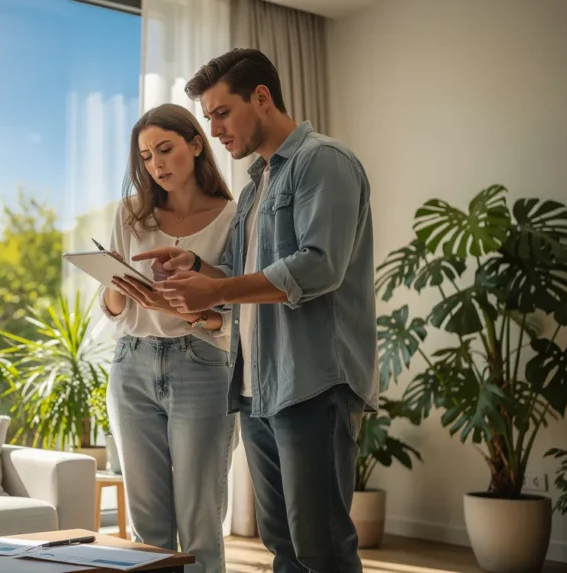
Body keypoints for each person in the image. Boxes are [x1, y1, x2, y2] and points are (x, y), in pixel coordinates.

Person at [133, 48, 378, 573]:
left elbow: (318, 267)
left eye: (222, 113)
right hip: (259, 387)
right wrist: (197, 266)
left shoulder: (322, 161)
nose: (216, 131)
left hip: (313, 382)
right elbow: (242, 281)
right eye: (209, 118)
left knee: (322, 547)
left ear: (261, 98)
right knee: (283, 545)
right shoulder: (253, 187)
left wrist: (209, 292)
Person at [97, 103, 237, 573]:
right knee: (147, 527)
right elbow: (113, 310)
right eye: (146, 155)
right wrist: (117, 287)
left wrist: (187, 310)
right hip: (130, 365)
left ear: (196, 145)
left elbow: (234, 312)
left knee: (200, 524)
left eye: (165, 149)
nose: (156, 164)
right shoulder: (132, 214)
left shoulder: (232, 216)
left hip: (201, 367)